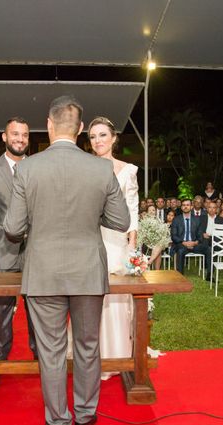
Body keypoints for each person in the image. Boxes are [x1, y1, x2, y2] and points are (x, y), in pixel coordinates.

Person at [3, 96, 130, 425]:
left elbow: (13, 228)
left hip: (43, 272)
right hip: (88, 271)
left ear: (48, 124)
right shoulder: (101, 168)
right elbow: (121, 220)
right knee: (88, 347)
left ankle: (59, 424)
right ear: (80, 130)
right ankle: (85, 416)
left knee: (52, 351)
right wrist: (92, 217)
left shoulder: (27, 169)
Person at [0, 116, 38, 361]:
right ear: (4, 137)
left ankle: (39, 360)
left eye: (24, 135)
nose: (20, 139)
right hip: (0, 252)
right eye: (15, 134)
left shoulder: (37, 167)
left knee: (37, 310)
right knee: (1, 312)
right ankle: (0, 360)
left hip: (35, 252)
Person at [88, 116, 139, 374]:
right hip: (90, 240)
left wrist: (132, 246)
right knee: (90, 296)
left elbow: (132, 208)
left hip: (117, 242)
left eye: (102, 135)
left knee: (116, 297)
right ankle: (89, 355)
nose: (98, 140)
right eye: (93, 136)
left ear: (114, 138)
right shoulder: (84, 168)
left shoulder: (128, 170)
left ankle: (117, 356)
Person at [171, 198, 210, 278]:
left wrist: (195, 242)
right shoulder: (176, 219)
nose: (185, 207)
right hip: (181, 243)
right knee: (181, 251)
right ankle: (180, 276)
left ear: (191, 207)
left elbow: (200, 236)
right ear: (181, 207)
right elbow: (174, 236)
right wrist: (184, 242)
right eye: (184, 205)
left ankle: (209, 275)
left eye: (188, 205)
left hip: (194, 244)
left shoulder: (197, 220)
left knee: (208, 249)